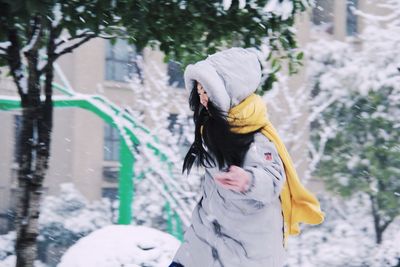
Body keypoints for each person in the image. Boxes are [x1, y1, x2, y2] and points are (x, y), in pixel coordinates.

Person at [169, 47, 324, 267]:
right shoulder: (212, 128)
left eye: (208, 91)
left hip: (247, 249)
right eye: (200, 91)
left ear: (230, 91)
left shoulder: (256, 135)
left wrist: (248, 180)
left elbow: (272, 180)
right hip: (206, 238)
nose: (203, 98)